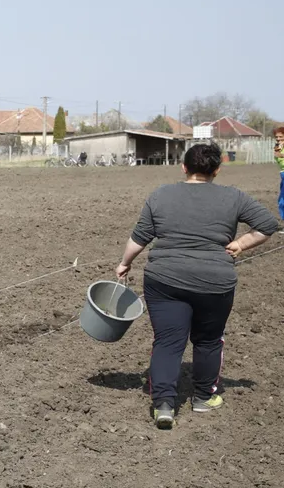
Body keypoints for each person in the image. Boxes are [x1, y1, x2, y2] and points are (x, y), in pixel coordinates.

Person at [116, 143, 278, 429]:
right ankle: (203, 397)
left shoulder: (161, 194)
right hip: (215, 283)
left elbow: (139, 237)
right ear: (217, 170)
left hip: (164, 280)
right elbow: (267, 224)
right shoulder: (233, 196)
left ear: (184, 167)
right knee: (208, 340)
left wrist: (124, 263)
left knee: (167, 341)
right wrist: (241, 243)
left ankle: (164, 404)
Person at [274, 125, 284, 220]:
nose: (278, 138)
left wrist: (281, 154)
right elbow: (277, 155)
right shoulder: (277, 146)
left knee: (282, 200)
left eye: (281, 136)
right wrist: (278, 149)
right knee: (281, 200)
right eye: (276, 137)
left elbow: (279, 155)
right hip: (282, 173)